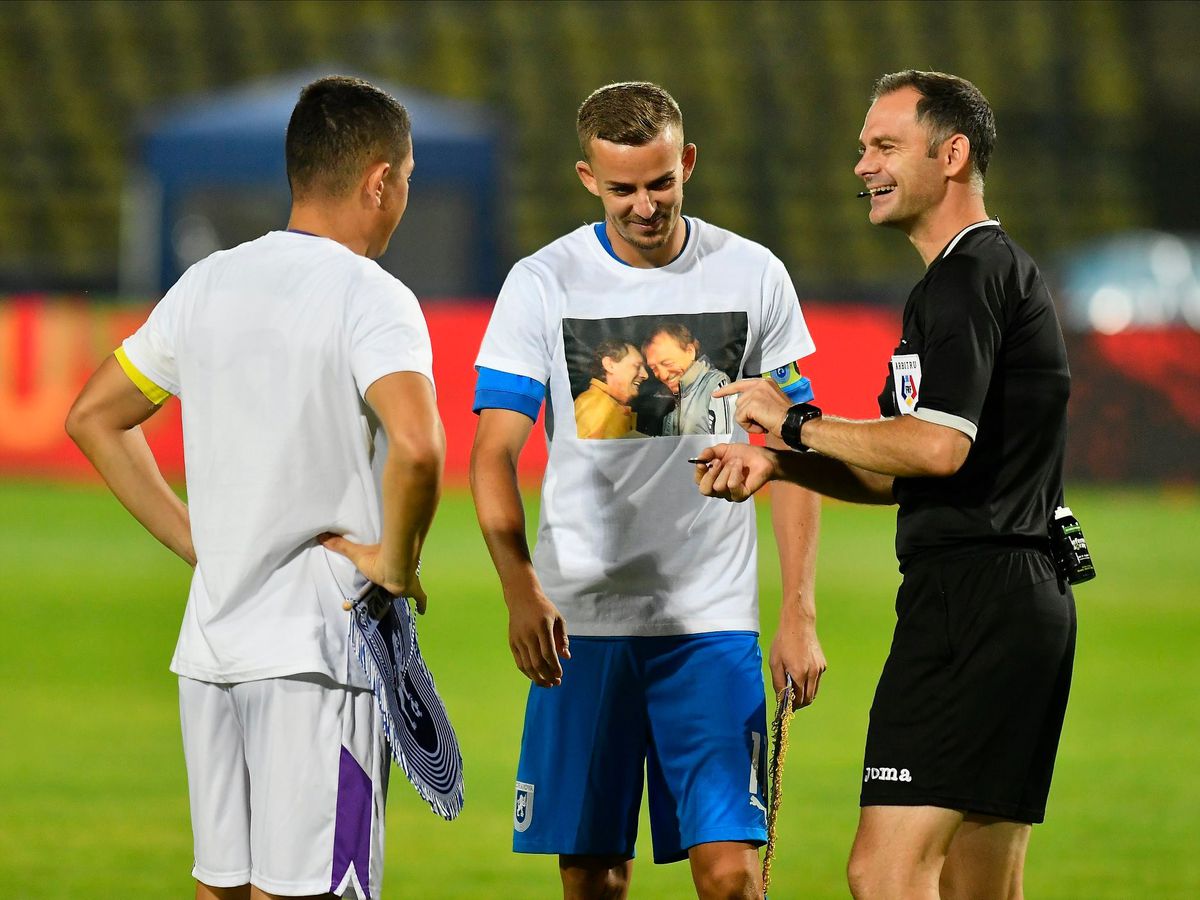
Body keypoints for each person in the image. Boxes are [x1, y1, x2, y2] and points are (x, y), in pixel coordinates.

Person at [694, 70, 1077, 900]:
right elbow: (897, 465)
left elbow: (934, 448)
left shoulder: (971, 277)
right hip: (1013, 599)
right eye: (863, 145)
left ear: (953, 153)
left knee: (885, 872)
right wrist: (784, 462)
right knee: (981, 884)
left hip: (973, 605)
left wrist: (788, 420)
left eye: (884, 145)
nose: (861, 163)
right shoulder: (965, 279)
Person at [65, 76, 444, 900]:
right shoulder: (371, 297)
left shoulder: (208, 283)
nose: (404, 198)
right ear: (380, 179)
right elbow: (417, 447)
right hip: (319, 651)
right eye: (407, 179)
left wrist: (196, 541)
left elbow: (94, 414)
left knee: (224, 891)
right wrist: (395, 560)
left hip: (213, 649)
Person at [469, 81, 825, 900]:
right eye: (623, 187)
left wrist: (799, 611)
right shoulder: (543, 282)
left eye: (660, 182)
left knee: (732, 874)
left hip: (712, 623)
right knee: (596, 878)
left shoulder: (753, 273)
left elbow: (795, 445)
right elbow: (493, 453)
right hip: (581, 623)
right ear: (588, 179)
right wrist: (520, 588)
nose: (644, 205)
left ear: (687, 163)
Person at [642, 321, 731, 435]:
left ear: (690, 352)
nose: (663, 375)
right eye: (654, 368)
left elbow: (728, 445)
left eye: (668, 363)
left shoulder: (716, 385)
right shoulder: (665, 398)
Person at [573, 338, 648, 438]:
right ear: (610, 365)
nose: (645, 375)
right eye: (637, 366)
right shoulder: (594, 405)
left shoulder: (604, 404)